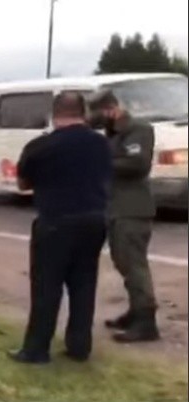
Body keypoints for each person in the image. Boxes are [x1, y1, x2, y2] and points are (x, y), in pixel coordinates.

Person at [8, 92, 111, 364]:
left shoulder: (40, 146)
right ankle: (79, 346)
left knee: (46, 287)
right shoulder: (101, 143)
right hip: (93, 220)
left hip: (55, 222)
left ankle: (36, 349)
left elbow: (22, 185)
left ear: (55, 114)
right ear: (83, 112)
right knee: (84, 284)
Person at [88, 89, 160, 343]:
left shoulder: (138, 129)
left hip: (132, 209)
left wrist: (99, 160)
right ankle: (135, 310)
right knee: (123, 262)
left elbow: (137, 164)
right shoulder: (113, 134)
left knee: (134, 266)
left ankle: (146, 321)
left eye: (97, 114)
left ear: (110, 109)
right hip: (116, 209)